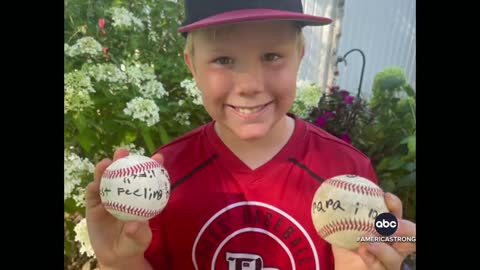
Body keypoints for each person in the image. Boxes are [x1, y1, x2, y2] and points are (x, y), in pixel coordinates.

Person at [85, 0, 416, 269]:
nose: (250, 86)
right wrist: (121, 262)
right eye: (223, 59)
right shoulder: (162, 179)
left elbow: (379, 243)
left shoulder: (346, 167)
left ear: (299, 55)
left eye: (272, 56)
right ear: (191, 65)